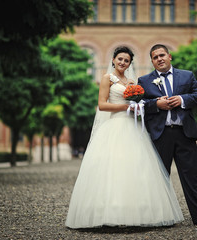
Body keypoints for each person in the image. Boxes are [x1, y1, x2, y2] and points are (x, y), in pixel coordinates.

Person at [65, 46, 183, 229]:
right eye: (120, 59)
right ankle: (108, 212)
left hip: (132, 126)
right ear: (113, 60)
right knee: (113, 167)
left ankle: (137, 212)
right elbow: (102, 105)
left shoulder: (131, 81)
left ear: (129, 64)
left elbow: (138, 103)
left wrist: (138, 108)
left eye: (126, 60)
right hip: (114, 125)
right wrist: (126, 107)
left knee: (135, 167)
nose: (122, 62)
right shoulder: (107, 79)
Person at [138, 44, 197, 228]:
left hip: (185, 134)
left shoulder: (187, 75)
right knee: (160, 177)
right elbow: (139, 105)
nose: (159, 59)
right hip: (160, 136)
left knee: (191, 177)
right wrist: (156, 104)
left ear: (170, 57)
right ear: (152, 61)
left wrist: (183, 100)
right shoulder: (144, 81)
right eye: (155, 57)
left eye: (162, 55)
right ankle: (158, 218)